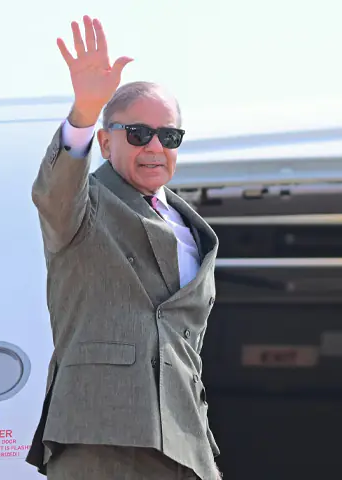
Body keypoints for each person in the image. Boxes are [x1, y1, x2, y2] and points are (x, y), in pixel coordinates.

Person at [25, 15, 222, 480]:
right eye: (138, 134)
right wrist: (84, 112)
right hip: (100, 433)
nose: (154, 146)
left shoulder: (191, 228)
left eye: (168, 136)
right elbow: (55, 193)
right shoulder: (86, 205)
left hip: (184, 444)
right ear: (105, 141)